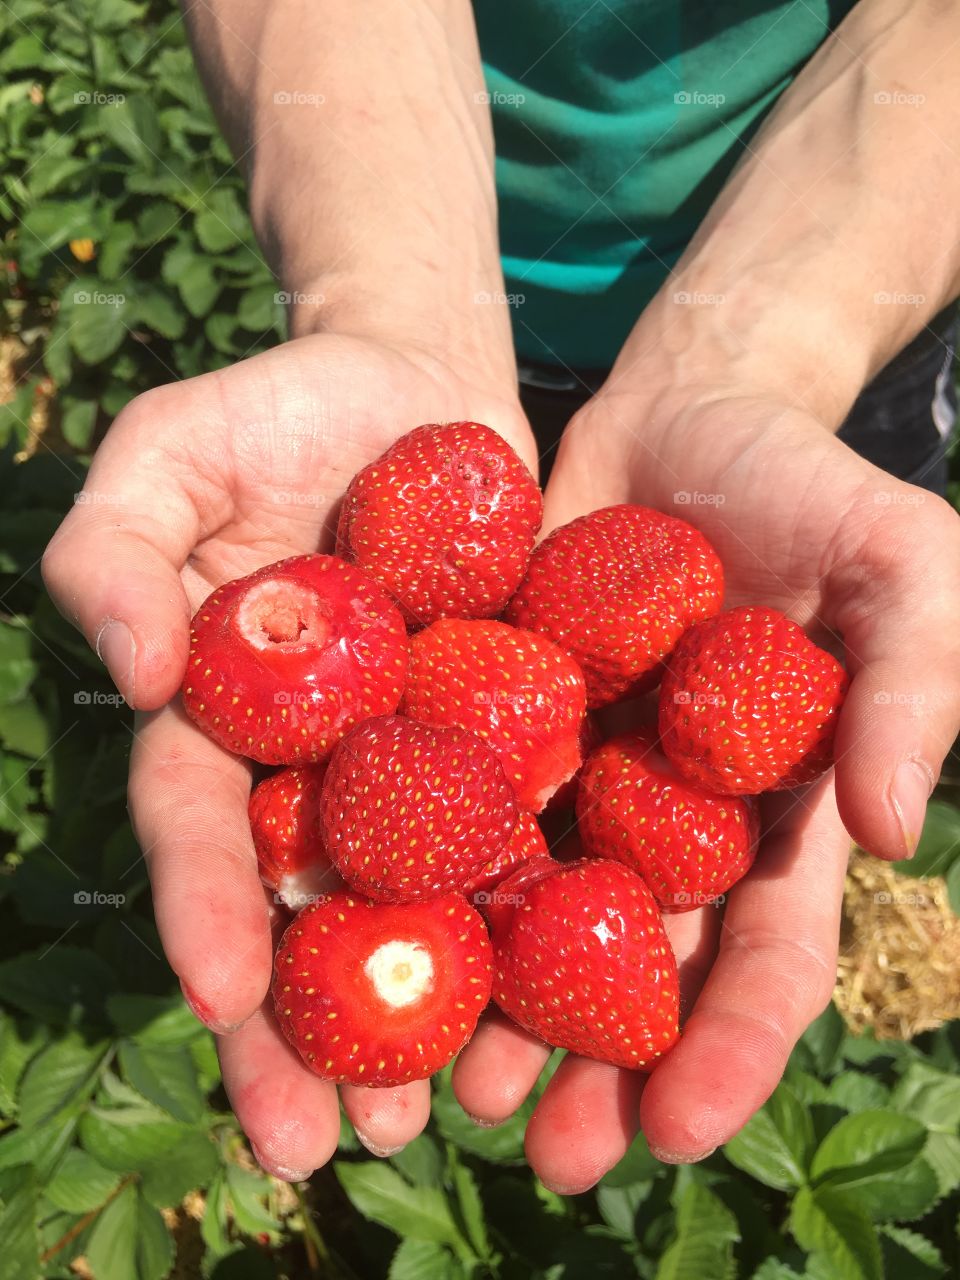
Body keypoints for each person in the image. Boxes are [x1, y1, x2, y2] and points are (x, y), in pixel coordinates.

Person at [42, 0, 960, 1193]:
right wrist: (387, 307)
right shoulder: (432, 722)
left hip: (851, 278)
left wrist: (759, 363)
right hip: (406, 221)